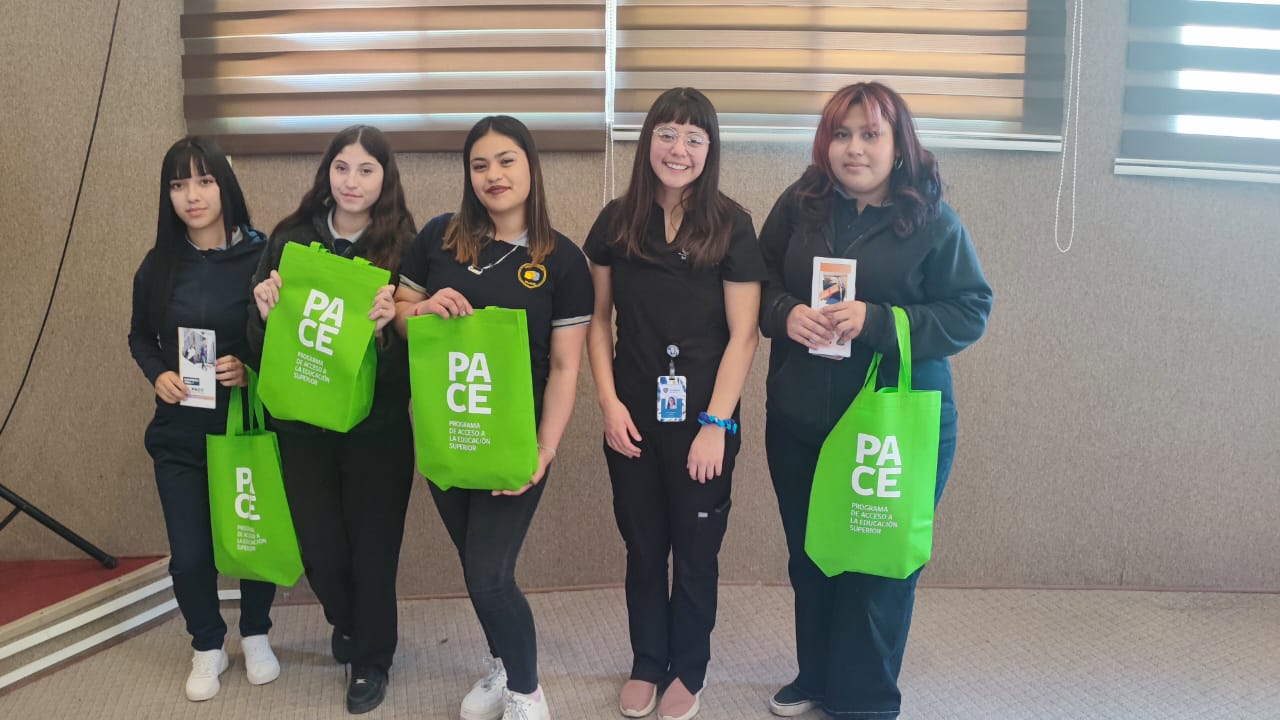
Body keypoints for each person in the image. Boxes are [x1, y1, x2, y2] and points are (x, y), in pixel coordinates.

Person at [757, 81, 993, 719]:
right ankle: (815, 677)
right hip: (803, 419)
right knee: (814, 556)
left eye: (870, 134)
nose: (854, 149)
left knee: (877, 565)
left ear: (899, 144)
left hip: (891, 428)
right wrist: (784, 314)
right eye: (842, 134)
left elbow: (972, 309)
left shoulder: (932, 219)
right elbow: (758, 279)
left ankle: (864, 702)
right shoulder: (801, 204)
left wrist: (882, 321)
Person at [393, 115, 592, 720]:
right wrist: (423, 308)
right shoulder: (438, 237)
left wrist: (544, 451)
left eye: (506, 161)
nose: (493, 175)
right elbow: (399, 316)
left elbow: (566, 367)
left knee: (488, 574)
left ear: (530, 166)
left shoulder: (563, 260)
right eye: (479, 165)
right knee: (473, 563)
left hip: (516, 439)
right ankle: (502, 662)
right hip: (448, 428)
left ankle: (526, 692)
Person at [584, 87, 765, 720]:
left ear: (709, 149)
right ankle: (647, 661)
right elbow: (596, 320)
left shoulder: (732, 224)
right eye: (667, 133)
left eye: (694, 137)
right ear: (648, 141)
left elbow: (745, 335)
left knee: (694, 552)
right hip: (631, 414)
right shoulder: (615, 222)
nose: (678, 149)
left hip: (705, 419)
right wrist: (608, 404)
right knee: (642, 548)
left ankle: (689, 668)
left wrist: (716, 424)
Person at [248, 125, 416, 714]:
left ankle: (372, 660)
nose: (352, 181)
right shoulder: (290, 239)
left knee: (374, 551)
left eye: (366, 170)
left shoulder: (404, 246)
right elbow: (258, 345)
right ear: (327, 173)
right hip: (302, 428)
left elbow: (418, 359)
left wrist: (387, 332)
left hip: (378, 431)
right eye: (342, 167)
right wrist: (263, 314)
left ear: (384, 178)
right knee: (320, 550)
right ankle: (346, 621)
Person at [128, 136, 279, 702]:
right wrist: (158, 373)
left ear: (224, 186)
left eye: (204, 180)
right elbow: (140, 336)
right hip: (180, 434)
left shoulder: (262, 258)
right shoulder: (159, 264)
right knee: (191, 555)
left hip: (245, 427)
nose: (192, 195)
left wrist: (251, 370)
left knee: (253, 540)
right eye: (178, 184)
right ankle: (207, 643)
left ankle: (257, 633)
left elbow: (287, 342)